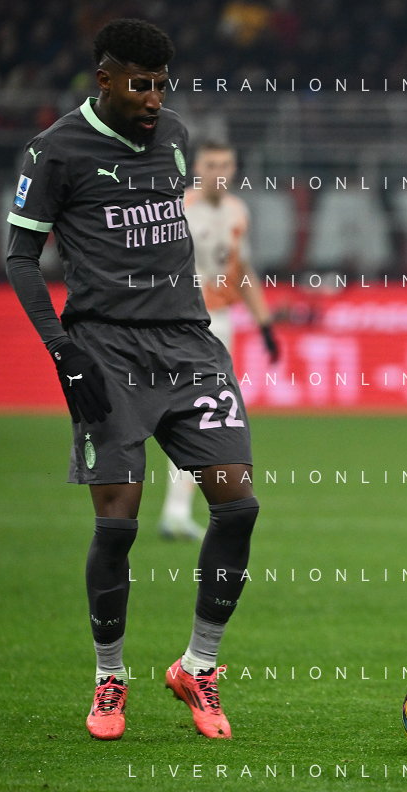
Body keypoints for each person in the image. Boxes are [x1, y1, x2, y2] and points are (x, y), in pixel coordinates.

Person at [5, 18, 259, 740]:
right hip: (105, 351)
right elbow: (21, 258)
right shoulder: (54, 152)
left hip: (189, 343)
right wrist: (64, 352)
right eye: (140, 85)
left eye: (161, 85)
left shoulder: (174, 135)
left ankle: (198, 667)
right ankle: (109, 678)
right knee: (117, 527)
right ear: (105, 79)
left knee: (238, 507)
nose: (154, 99)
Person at [159, 141, 278, 541]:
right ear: (197, 167)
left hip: (220, 322)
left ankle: (176, 511)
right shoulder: (178, 210)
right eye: (211, 165)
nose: (219, 172)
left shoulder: (237, 211)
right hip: (181, 323)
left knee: (199, 416)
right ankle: (174, 511)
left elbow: (241, 269)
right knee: (196, 415)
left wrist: (265, 324)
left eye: (226, 164)